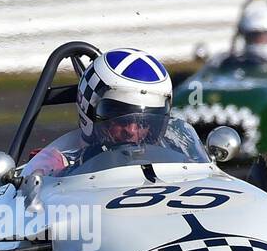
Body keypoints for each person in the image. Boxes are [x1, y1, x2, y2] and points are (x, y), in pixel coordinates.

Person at [24, 47, 173, 177]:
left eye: (144, 122)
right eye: (122, 118)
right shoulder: (56, 164)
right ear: (89, 112)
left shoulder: (175, 156)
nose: (132, 131)